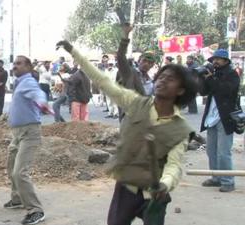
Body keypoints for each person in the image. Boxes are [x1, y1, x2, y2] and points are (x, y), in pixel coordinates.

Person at [57, 40, 197, 225]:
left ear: (180, 90)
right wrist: (73, 51)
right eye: (162, 76)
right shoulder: (136, 103)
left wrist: (165, 184)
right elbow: (103, 81)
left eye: (170, 79)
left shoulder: (181, 129)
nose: (162, 80)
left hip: (154, 195)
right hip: (126, 187)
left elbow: (174, 165)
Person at [5, 55, 48, 225]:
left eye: (19, 64)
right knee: (11, 166)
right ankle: (17, 198)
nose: (15, 66)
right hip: (17, 133)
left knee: (20, 172)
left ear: (28, 67)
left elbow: (39, 94)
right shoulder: (19, 82)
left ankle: (36, 210)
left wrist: (42, 102)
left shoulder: (28, 82)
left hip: (29, 133)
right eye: (14, 63)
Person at [198, 49, 240, 193]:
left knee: (223, 152)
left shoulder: (232, 75)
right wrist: (202, 79)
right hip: (211, 118)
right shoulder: (213, 75)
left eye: (218, 59)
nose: (215, 61)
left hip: (225, 118)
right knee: (211, 151)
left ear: (226, 61)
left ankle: (228, 181)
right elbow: (203, 92)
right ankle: (216, 178)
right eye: (213, 59)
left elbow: (225, 91)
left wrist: (210, 79)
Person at [116, 23, 156, 120]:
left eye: (150, 63)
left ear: (152, 65)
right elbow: (121, 56)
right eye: (144, 61)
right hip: (130, 117)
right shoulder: (130, 73)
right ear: (139, 61)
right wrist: (126, 36)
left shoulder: (150, 79)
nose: (146, 64)